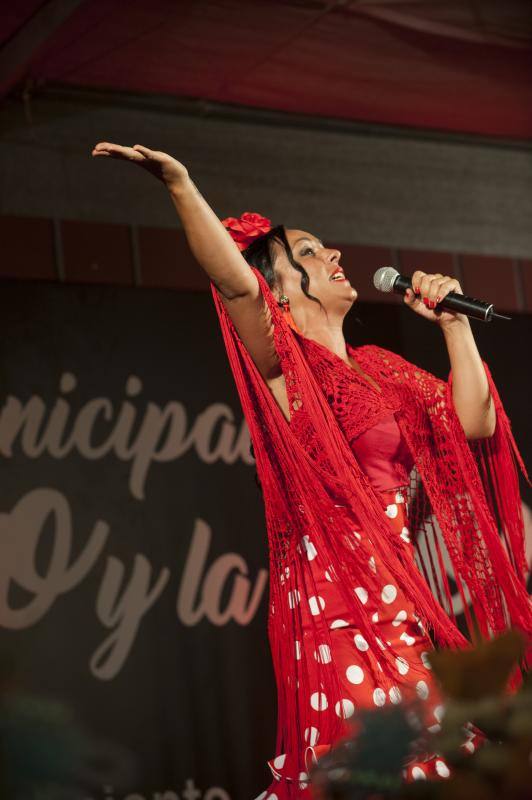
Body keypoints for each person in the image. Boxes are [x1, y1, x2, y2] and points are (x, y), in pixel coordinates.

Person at [92, 142, 531, 799]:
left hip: (400, 604)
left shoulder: (380, 366)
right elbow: (236, 282)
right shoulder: (286, 371)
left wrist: (454, 328)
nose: (333, 256)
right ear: (280, 289)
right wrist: (181, 183)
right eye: (308, 252)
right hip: (342, 608)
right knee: (374, 772)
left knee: (435, 771)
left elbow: (474, 422)